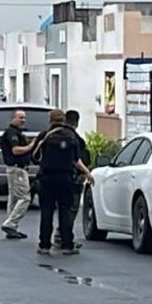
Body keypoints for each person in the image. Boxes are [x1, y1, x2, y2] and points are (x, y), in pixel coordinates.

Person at [33, 109, 94, 256]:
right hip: (66, 178)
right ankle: (67, 245)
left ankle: (44, 245)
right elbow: (76, 160)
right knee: (65, 211)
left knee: (46, 211)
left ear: (50, 120)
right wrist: (87, 172)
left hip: (47, 177)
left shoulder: (45, 135)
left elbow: (35, 156)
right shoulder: (72, 136)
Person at [0, 109, 35, 240]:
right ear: (13, 118)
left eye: (24, 118)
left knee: (14, 198)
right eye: (20, 118)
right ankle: (10, 223)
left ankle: (12, 227)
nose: (23, 120)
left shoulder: (18, 133)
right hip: (17, 169)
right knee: (25, 197)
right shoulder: (11, 133)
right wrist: (31, 145)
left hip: (16, 169)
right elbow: (16, 150)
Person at [64, 109, 92, 212]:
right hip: (72, 177)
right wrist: (86, 171)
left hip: (52, 176)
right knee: (72, 207)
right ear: (77, 122)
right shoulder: (76, 139)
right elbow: (77, 159)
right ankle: (66, 227)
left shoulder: (52, 135)